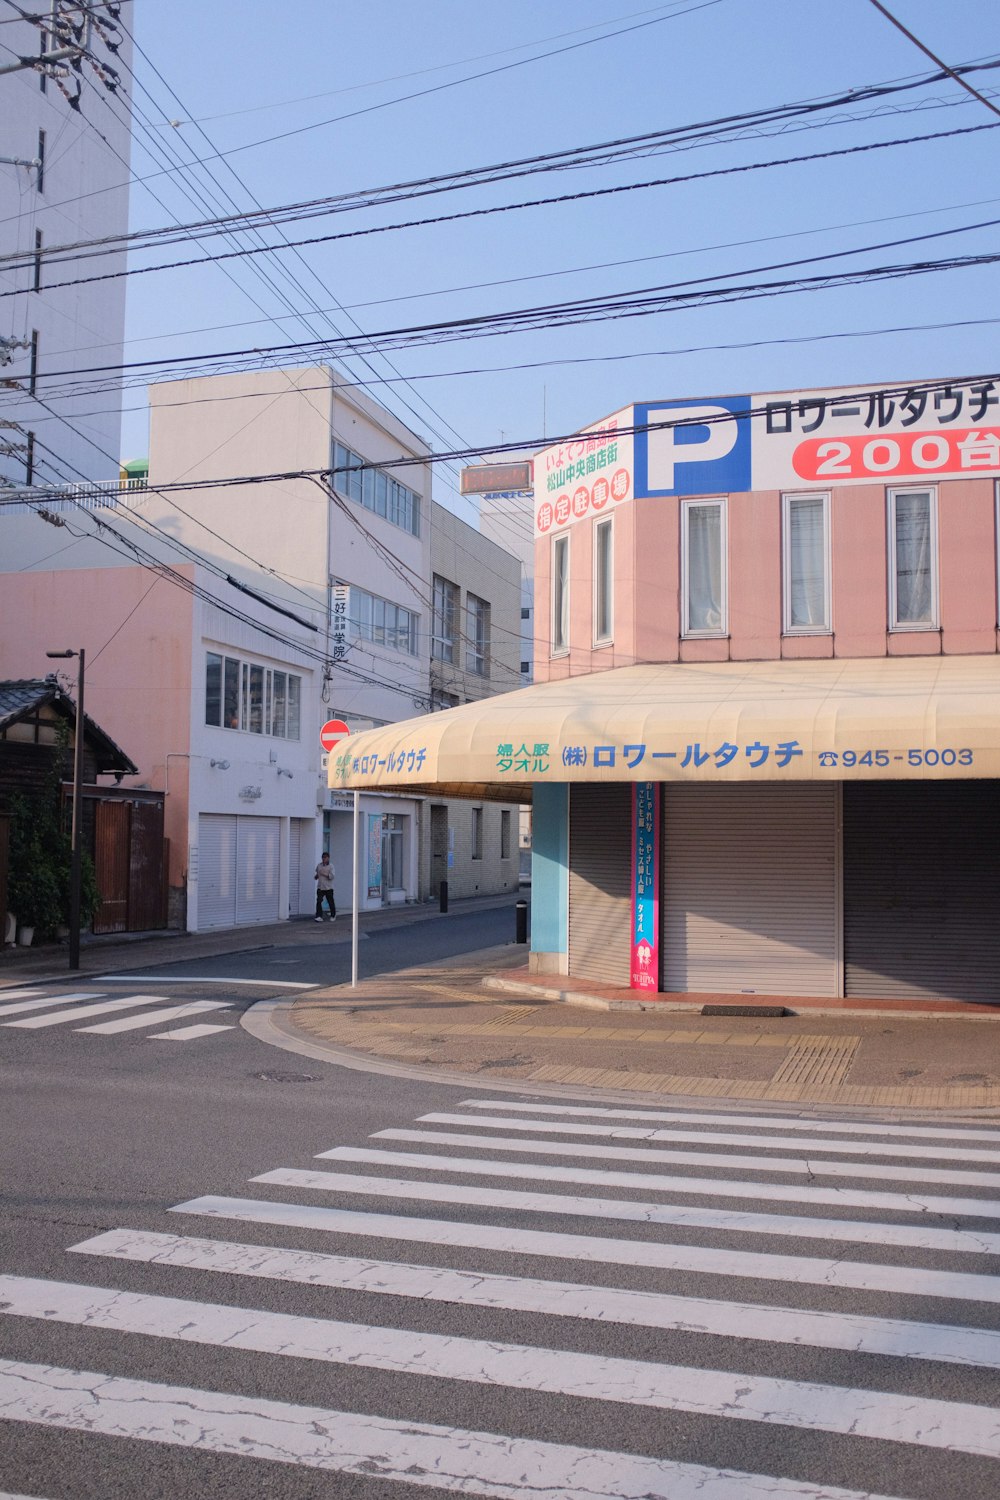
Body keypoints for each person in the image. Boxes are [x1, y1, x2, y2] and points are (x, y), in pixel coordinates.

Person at [314, 851, 336, 921]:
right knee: (319, 901)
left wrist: (324, 874)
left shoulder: (331, 866)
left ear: (328, 858)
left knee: (330, 901)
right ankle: (319, 916)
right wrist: (316, 876)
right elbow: (317, 873)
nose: (323, 859)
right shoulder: (319, 865)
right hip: (320, 887)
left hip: (328, 887)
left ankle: (333, 915)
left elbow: (332, 876)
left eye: (325, 858)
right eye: (322, 857)